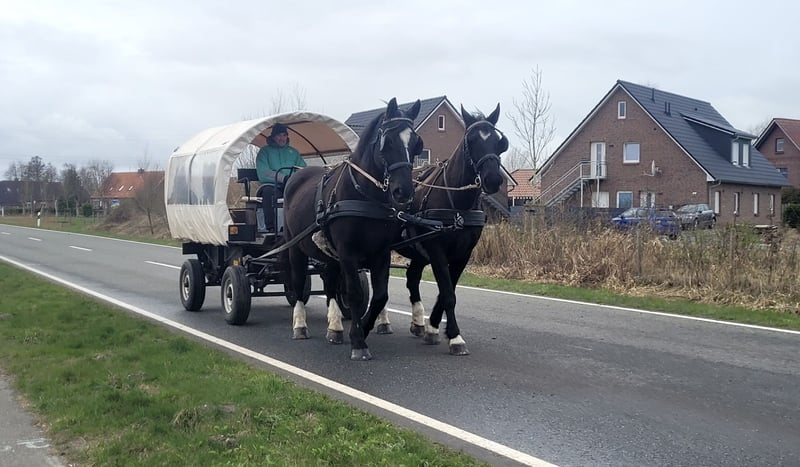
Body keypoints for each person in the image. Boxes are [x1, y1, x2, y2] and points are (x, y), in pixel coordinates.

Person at [256, 123, 306, 232]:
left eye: (284, 135)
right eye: (279, 135)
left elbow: (302, 169)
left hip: (291, 184)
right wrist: (283, 178)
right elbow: (263, 172)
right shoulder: (264, 152)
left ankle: (301, 225)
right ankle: (271, 228)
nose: (282, 138)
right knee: (268, 193)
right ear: (273, 136)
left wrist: (294, 179)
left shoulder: (294, 152)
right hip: (272, 185)